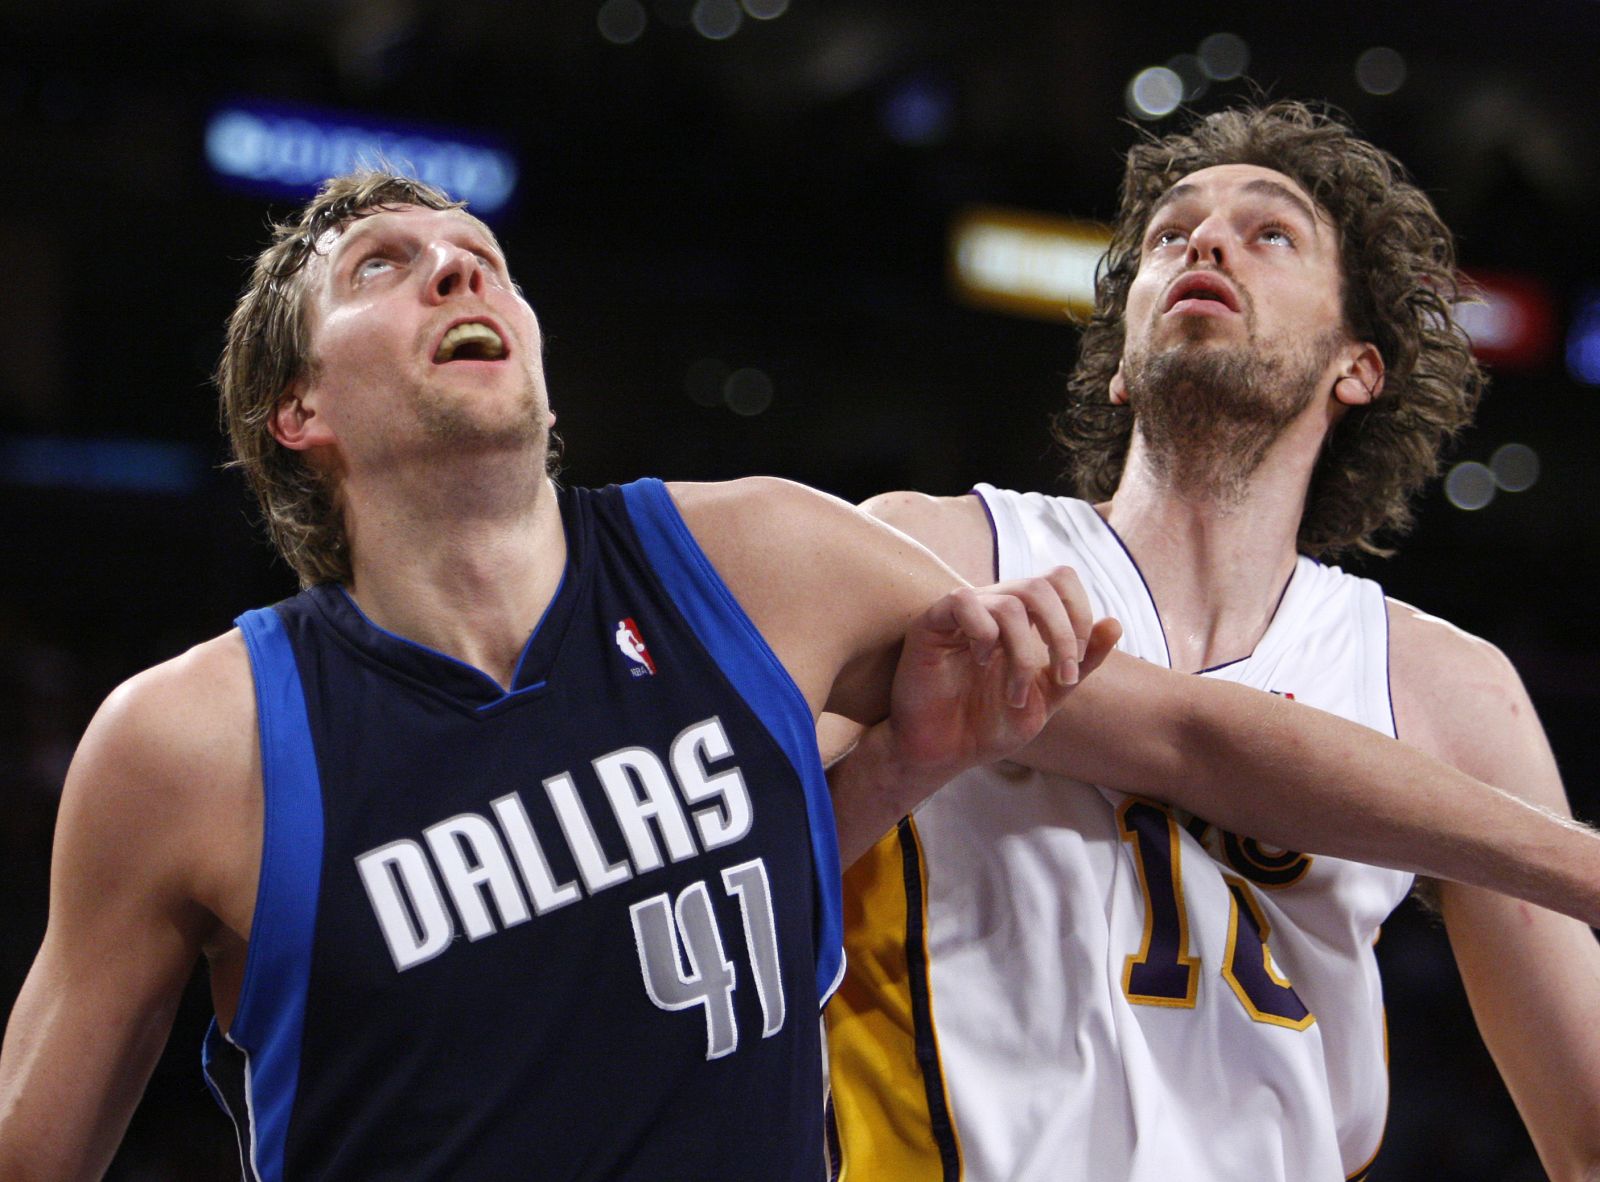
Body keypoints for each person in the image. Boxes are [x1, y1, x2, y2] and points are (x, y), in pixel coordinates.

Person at [1, 169, 1597, 1181]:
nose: (458, 276)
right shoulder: (190, 740)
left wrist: (903, 768)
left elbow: (1169, 732)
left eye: (483, 255)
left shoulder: (755, 557)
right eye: (389, 267)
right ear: (297, 409)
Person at [825, 101, 1600, 1182]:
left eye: (1270, 231)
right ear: (1122, 365)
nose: (1205, 241)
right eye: (1168, 234)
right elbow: (734, 874)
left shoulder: (1447, 689)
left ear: (1358, 367)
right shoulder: (931, 548)